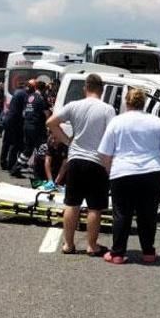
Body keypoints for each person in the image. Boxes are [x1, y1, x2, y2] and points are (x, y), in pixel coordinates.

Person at [98, 88, 160, 264]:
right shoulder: (156, 122)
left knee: (122, 213)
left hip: (123, 171)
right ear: (144, 103)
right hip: (152, 172)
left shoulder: (117, 122)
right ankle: (148, 252)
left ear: (127, 102)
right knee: (148, 214)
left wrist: (109, 170)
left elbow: (104, 153)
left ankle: (117, 253)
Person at [46, 73, 115, 256]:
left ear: (85, 88)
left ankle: (68, 244)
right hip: (96, 161)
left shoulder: (74, 105)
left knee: (72, 203)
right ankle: (92, 246)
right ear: (101, 89)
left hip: (75, 159)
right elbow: (111, 136)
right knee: (95, 207)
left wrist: (68, 141)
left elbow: (51, 122)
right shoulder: (107, 109)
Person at [11, 80, 50, 177]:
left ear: (36, 88)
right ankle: (39, 172)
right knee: (42, 148)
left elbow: (24, 112)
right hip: (37, 127)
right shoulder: (41, 98)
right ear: (43, 89)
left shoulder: (29, 97)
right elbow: (47, 114)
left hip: (27, 125)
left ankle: (16, 168)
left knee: (28, 149)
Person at [0, 81, 27, 171]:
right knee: (15, 144)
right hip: (15, 122)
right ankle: (12, 166)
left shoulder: (16, 93)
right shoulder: (24, 94)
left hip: (8, 119)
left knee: (6, 143)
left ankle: (3, 163)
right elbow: (24, 111)